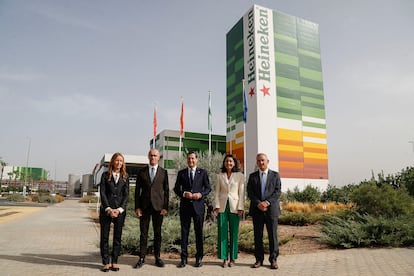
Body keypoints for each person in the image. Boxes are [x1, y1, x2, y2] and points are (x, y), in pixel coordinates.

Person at [173, 151, 211, 268]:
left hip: (198, 207)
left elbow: (208, 188)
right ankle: (183, 259)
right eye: (189, 159)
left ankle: (199, 258)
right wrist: (184, 194)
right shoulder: (182, 173)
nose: (191, 161)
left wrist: (201, 194)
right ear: (187, 160)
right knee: (184, 233)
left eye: (193, 159)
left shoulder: (203, 173)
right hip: (185, 207)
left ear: (197, 159)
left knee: (198, 233)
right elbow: (176, 189)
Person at [134, 149, 169, 269]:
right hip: (144, 207)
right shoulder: (142, 172)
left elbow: (166, 191)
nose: (153, 157)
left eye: (155, 155)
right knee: (143, 234)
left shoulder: (164, 172)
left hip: (158, 207)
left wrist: (165, 207)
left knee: (157, 233)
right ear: (148, 157)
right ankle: (142, 258)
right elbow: (137, 191)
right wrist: (137, 207)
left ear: (159, 157)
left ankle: (157, 257)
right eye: (151, 155)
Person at [246, 153, 281, 270]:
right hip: (257, 210)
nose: (261, 163)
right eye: (259, 161)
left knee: (273, 236)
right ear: (257, 162)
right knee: (258, 236)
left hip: (271, 211)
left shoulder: (275, 175)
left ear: (267, 161)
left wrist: (267, 202)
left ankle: (273, 260)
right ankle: (258, 260)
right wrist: (258, 203)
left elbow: (277, 192)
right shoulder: (252, 176)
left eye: (263, 160)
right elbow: (250, 192)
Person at [99, 152, 130, 272]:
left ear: (123, 163)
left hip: (119, 212)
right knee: (105, 237)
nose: (119, 163)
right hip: (106, 211)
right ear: (112, 162)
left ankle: (115, 262)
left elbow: (126, 195)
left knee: (117, 237)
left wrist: (119, 209)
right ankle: (105, 262)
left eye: (121, 161)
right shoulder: (105, 175)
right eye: (117, 160)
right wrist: (108, 209)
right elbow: (103, 193)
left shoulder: (125, 177)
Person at [213, 154, 245, 268]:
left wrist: (241, 207)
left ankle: (233, 258)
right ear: (224, 163)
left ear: (234, 163)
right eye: (227, 161)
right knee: (222, 233)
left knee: (234, 233)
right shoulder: (219, 176)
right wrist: (216, 205)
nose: (229, 163)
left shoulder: (240, 176)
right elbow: (216, 192)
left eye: (231, 161)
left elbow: (241, 193)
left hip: (235, 206)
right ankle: (224, 258)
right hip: (222, 206)